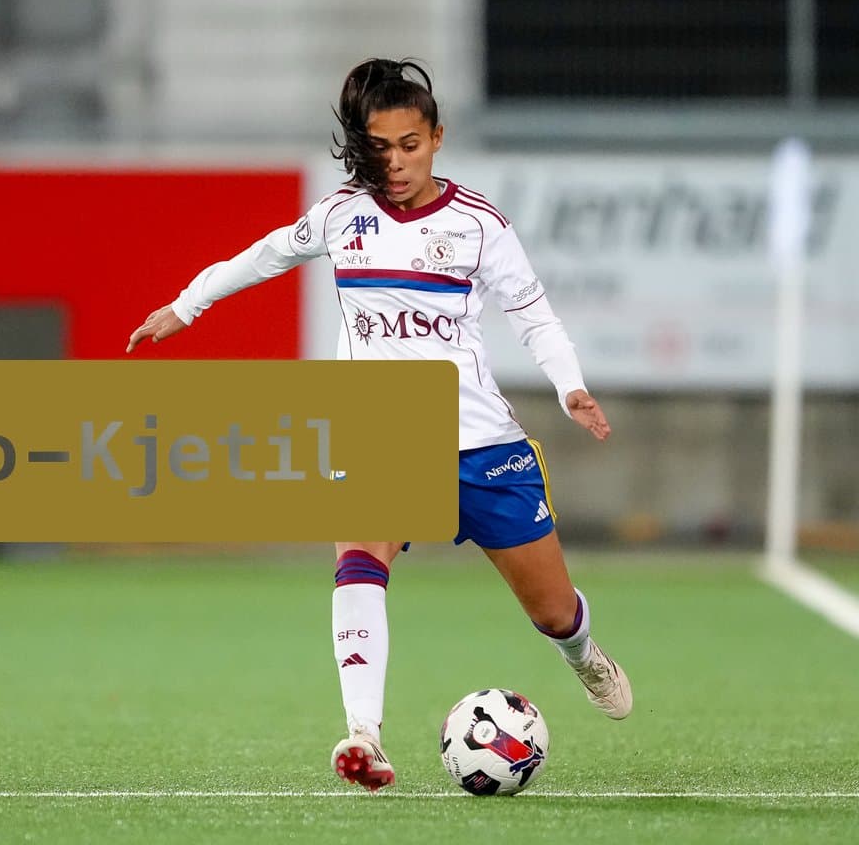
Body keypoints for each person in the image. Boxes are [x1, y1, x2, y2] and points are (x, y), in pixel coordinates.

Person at [126, 58, 631, 792]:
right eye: (380, 147)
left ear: (437, 138)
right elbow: (267, 255)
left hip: (482, 443)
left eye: (410, 144)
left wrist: (570, 385)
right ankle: (364, 733)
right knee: (360, 553)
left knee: (553, 611)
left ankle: (584, 653)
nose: (395, 162)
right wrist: (187, 304)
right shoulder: (342, 215)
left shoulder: (479, 226)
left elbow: (533, 314)